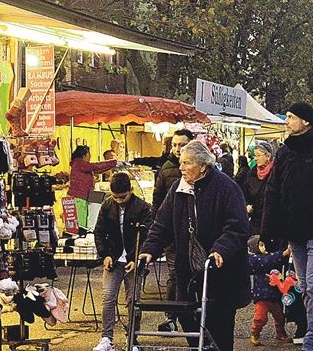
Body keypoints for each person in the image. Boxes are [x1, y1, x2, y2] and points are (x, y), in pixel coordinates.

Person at [139, 140, 250, 351]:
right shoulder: (178, 188)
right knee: (188, 319)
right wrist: (149, 250)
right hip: (188, 271)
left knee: (219, 327)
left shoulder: (226, 187)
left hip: (220, 272)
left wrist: (221, 248)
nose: (181, 168)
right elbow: (161, 225)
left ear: (203, 166)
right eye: (180, 162)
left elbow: (237, 226)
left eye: (187, 163)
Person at [261, 102, 313, 351]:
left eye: (291, 117)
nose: (287, 121)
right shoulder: (285, 150)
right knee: (304, 283)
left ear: (306, 121)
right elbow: (273, 189)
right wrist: (268, 229)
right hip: (293, 228)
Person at [92, 173, 152, 351]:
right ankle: (106, 338)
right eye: (115, 197)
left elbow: (148, 236)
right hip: (113, 259)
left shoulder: (142, 207)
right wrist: (105, 255)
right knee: (108, 298)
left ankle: (132, 338)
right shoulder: (107, 204)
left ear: (130, 191)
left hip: (134, 260)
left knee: (133, 301)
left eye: (122, 197)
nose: (118, 200)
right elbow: (99, 232)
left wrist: (137, 258)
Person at [153, 129, 194, 332]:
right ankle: (172, 316)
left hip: (193, 235)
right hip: (172, 234)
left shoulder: (199, 168)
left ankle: (191, 311)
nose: (177, 149)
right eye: (175, 145)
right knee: (174, 273)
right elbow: (157, 201)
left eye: (182, 145)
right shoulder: (166, 168)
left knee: (190, 273)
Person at [248, 235, 291, 346]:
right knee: (260, 318)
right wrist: (283, 253)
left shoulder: (269, 257)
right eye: (261, 245)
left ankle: (280, 333)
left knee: (280, 316)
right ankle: (255, 333)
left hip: (274, 295)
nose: (264, 247)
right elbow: (268, 260)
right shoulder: (255, 259)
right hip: (262, 296)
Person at [241, 141, 276, 237]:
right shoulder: (251, 174)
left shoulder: (277, 173)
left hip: (273, 221)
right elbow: (243, 193)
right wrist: (247, 204)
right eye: (254, 156)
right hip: (255, 222)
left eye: (258, 155)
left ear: (268, 156)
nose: (255, 159)